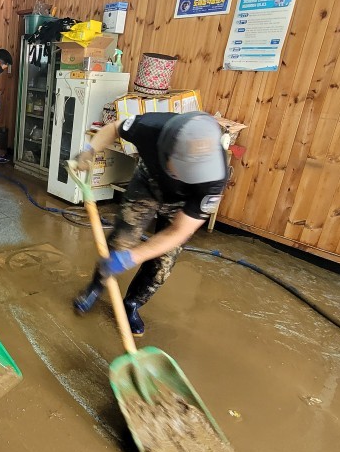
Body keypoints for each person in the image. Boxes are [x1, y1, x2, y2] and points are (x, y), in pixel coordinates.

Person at [71, 111, 227, 336]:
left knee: (162, 265)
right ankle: (95, 288)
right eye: (186, 169)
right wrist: (89, 150)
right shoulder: (150, 128)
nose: (192, 175)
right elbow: (113, 128)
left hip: (183, 204)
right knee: (120, 243)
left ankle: (131, 305)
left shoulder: (214, 176)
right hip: (148, 184)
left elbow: (180, 230)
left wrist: (132, 258)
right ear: (166, 150)